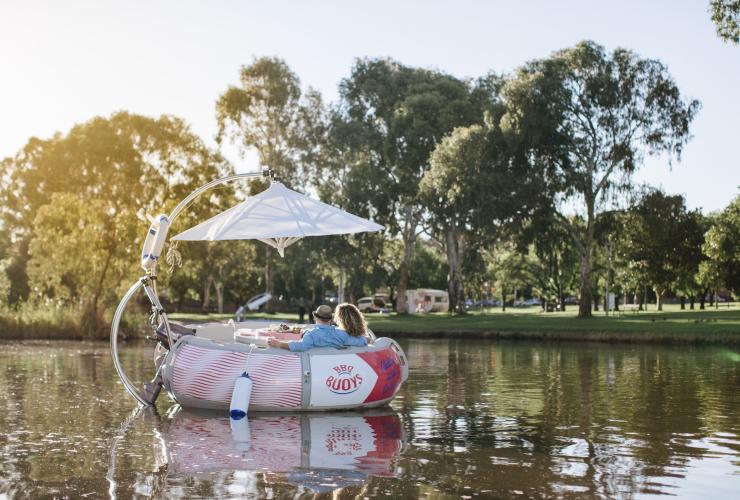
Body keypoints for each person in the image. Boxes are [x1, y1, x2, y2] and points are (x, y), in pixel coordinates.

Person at [268, 304, 368, 352]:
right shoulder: (341, 334)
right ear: (330, 319)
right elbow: (361, 341)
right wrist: (368, 339)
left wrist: (278, 344)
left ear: (315, 317)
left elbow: (301, 346)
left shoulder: (311, 335)